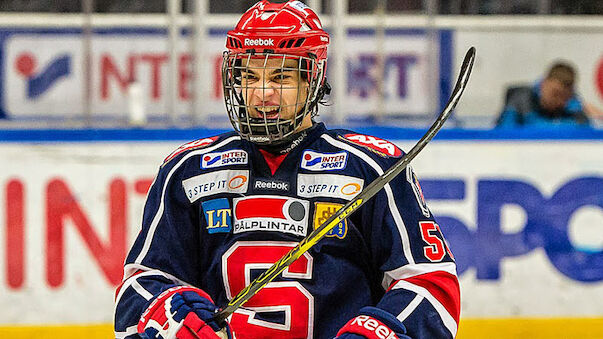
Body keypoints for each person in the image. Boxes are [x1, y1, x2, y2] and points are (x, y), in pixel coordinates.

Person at [114, 1, 460, 338]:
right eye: (249, 75)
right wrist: (168, 313)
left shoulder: (371, 167)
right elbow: (140, 289)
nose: (262, 93)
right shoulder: (188, 171)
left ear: (313, 79)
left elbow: (431, 282)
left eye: (281, 76)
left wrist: (378, 331)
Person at [496, 61, 592, 128]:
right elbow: (504, 132)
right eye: (555, 94)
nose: (559, 101)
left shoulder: (574, 108)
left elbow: (585, 134)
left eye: (565, 97)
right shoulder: (521, 101)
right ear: (543, 84)